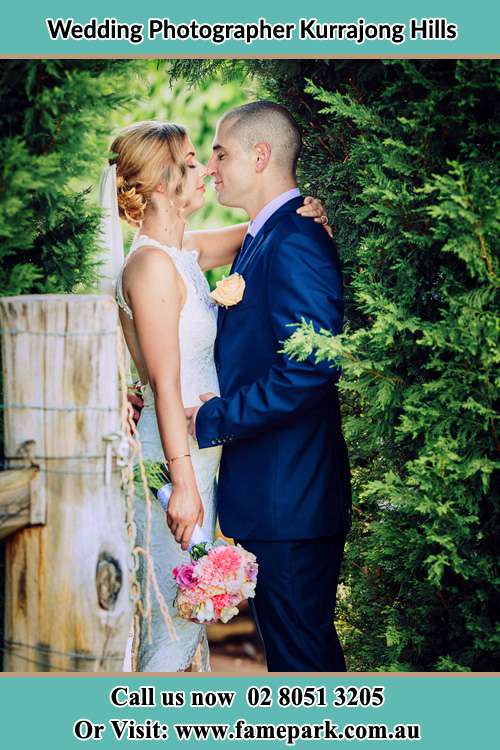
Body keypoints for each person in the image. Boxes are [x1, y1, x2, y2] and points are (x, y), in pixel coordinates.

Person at [99, 119, 330, 671]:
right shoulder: (151, 265)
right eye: (192, 160)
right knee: (173, 626)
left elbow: (263, 237)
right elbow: (166, 383)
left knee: (187, 622)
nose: (205, 169)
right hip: (178, 461)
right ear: (159, 184)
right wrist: (181, 483)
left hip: (204, 453)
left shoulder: (182, 252)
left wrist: (314, 212)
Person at [185, 101, 352, 672]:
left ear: (260, 156)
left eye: (221, 153)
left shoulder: (296, 240)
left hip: (293, 500)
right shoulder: (265, 235)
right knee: (291, 661)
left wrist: (213, 418)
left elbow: (309, 368)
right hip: (277, 500)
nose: (212, 167)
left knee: (304, 664)